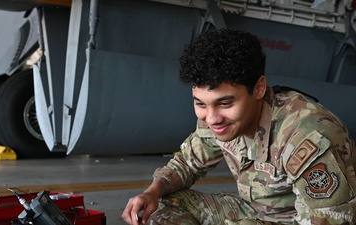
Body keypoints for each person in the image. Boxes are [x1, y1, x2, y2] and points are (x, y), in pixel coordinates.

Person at [122, 28, 356, 225]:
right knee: (161, 205)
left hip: (302, 220)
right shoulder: (220, 119)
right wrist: (152, 191)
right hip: (256, 214)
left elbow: (328, 219)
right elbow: (188, 163)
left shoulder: (306, 135)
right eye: (200, 104)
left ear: (259, 88)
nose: (212, 118)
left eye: (225, 103)